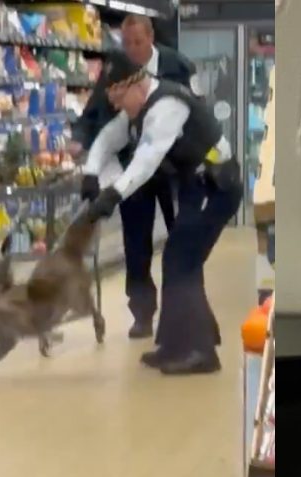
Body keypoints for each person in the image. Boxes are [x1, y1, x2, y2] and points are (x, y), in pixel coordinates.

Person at [82, 52, 242, 375]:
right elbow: (109, 138)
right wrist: (90, 171)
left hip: (218, 187)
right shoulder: (144, 103)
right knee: (178, 257)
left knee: (182, 259)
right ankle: (174, 343)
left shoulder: (167, 106)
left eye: (119, 99)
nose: (118, 107)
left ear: (136, 84)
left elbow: (146, 160)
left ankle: (201, 352)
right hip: (197, 186)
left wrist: (112, 195)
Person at [72, 16, 203, 340]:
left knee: (182, 241)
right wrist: (83, 145)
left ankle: (185, 310)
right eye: (126, 43)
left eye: (138, 43)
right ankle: (142, 313)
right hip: (132, 170)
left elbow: (199, 106)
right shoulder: (116, 71)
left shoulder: (179, 65)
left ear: (151, 38)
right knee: (136, 244)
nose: (132, 49)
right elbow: (97, 118)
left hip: (175, 168)